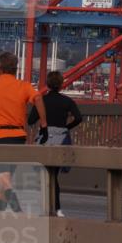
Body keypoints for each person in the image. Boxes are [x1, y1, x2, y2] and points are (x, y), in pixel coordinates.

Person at [0, 51, 47, 212]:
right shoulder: (24, 86)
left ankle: (17, 210)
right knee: (5, 176)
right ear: (15, 68)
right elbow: (38, 98)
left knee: (3, 178)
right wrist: (44, 124)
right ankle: (0, 211)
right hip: (19, 137)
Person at [29, 71, 82, 217]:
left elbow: (30, 120)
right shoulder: (67, 101)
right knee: (54, 175)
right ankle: (57, 208)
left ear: (47, 84)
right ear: (61, 84)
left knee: (43, 176)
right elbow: (78, 118)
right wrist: (66, 128)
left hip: (45, 139)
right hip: (60, 139)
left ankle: (45, 207)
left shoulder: (41, 100)